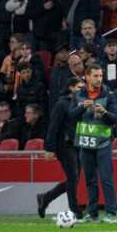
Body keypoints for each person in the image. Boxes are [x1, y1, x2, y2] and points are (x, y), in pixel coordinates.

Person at [69, 64, 117, 223]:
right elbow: (71, 116)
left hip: (103, 143)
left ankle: (111, 213)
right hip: (85, 143)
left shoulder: (108, 94)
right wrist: (80, 108)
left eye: (100, 76)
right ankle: (92, 214)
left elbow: (115, 118)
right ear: (87, 76)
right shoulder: (78, 95)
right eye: (96, 76)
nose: (99, 79)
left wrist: (104, 113)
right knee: (90, 180)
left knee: (106, 179)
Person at [37, 76, 85, 219]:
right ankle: (75, 210)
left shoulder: (80, 104)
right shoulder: (62, 104)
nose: (82, 90)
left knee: (73, 179)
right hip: (64, 145)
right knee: (73, 177)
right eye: (79, 87)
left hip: (77, 144)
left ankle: (45, 198)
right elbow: (53, 126)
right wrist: (49, 148)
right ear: (71, 87)